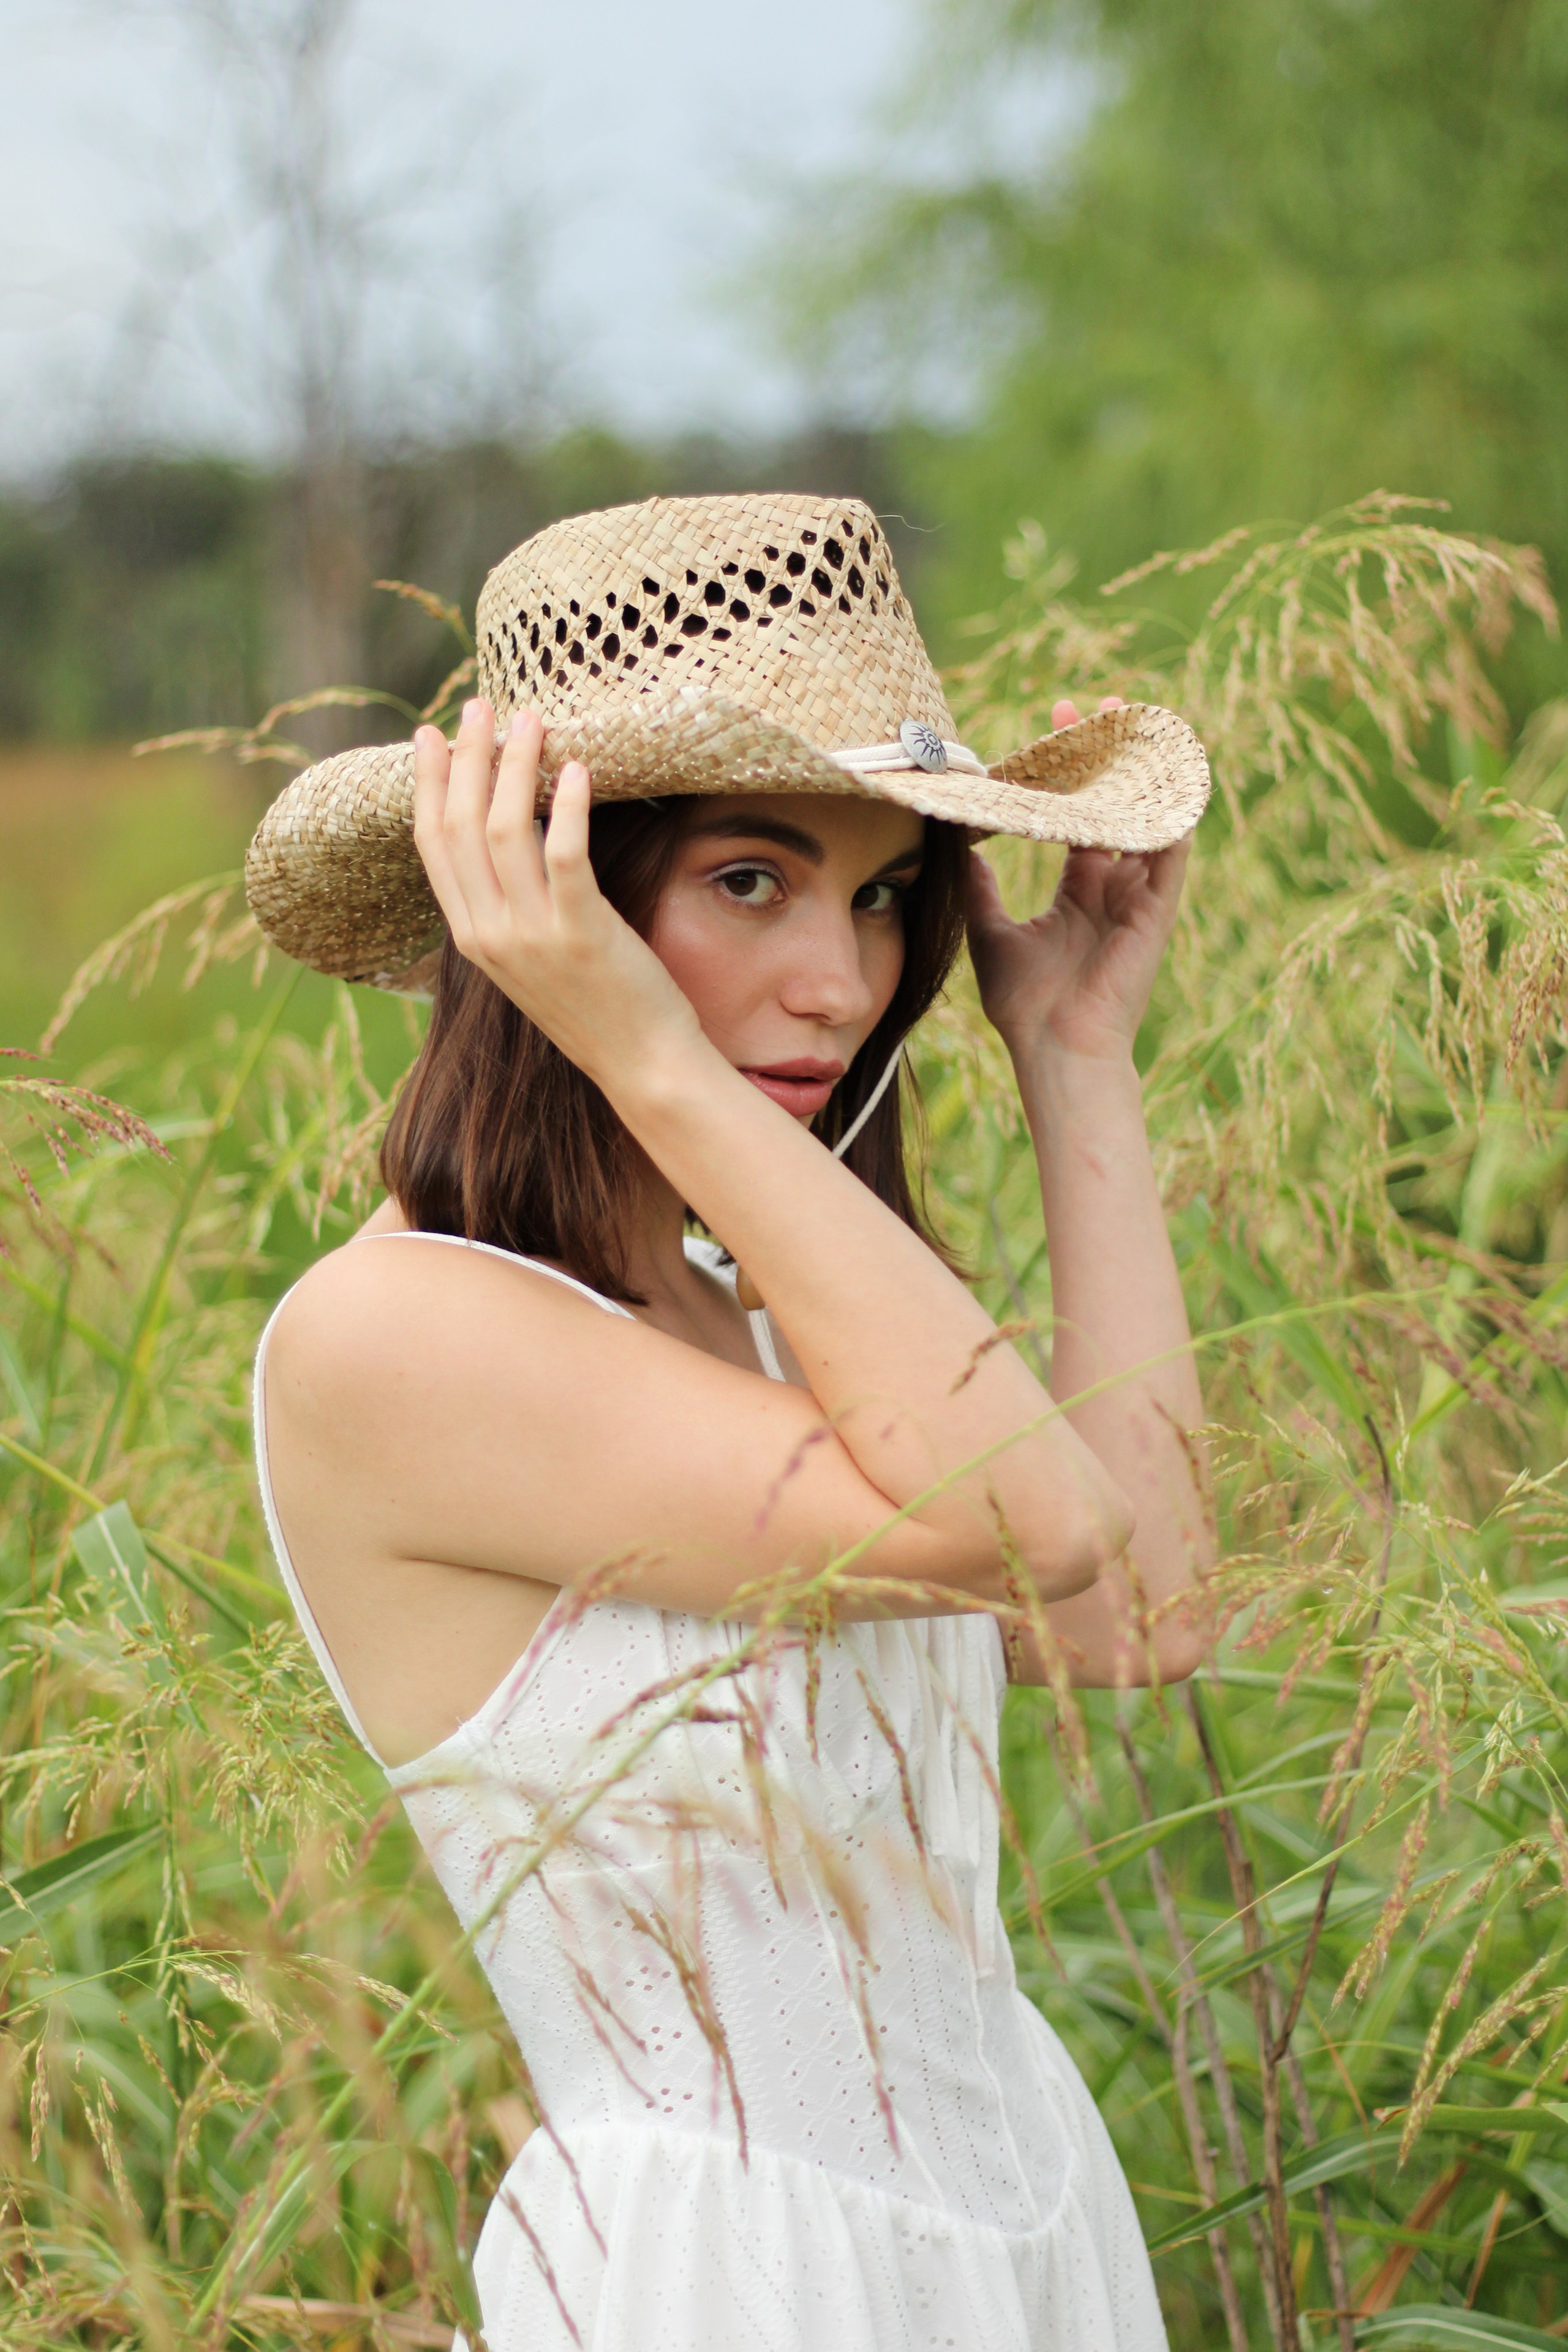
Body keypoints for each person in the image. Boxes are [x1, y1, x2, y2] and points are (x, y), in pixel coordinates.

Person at [248, 492, 1212, 2351]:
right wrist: (649, 1050)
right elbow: (1043, 1529)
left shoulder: (770, 1313)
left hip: (1023, 2237)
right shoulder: (397, 1338)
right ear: (548, 896)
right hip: (732, 2283)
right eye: (748, 881)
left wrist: (1076, 1059)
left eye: (878, 893)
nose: (842, 985)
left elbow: (1141, 1611)